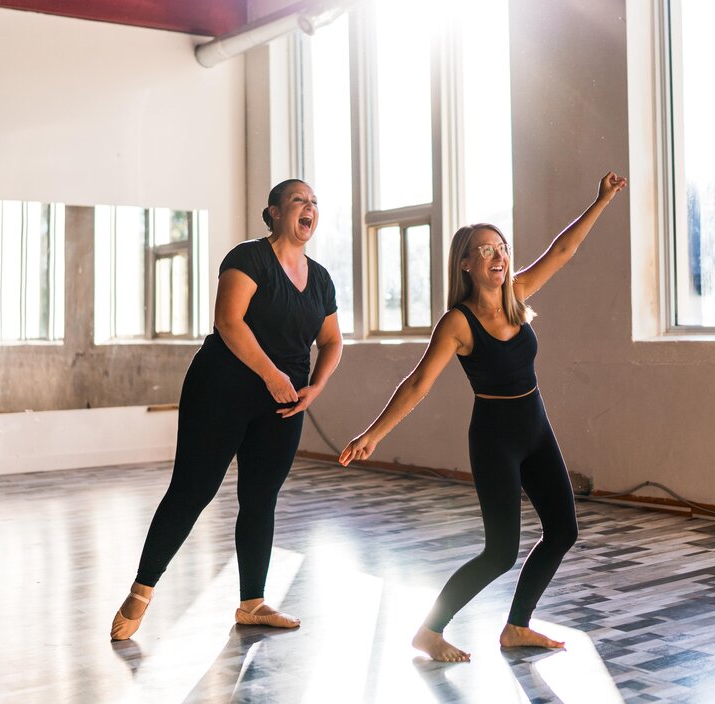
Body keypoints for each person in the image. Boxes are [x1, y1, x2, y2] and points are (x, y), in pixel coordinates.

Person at [340, 172, 628, 662]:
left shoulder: (517, 297)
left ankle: (517, 626)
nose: (499, 256)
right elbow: (416, 385)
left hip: (536, 428)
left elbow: (562, 252)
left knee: (563, 530)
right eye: (487, 250)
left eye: (503, 247)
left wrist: (599, 200)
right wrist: (374, 434)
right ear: (467, 263)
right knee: (500, 552)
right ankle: (430, 630)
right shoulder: (457, 322)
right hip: (495, 439)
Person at [111, 179, 343, 640]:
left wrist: (314, 387)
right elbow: (228, 321)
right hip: (222, 387)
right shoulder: (248, 258)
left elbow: (332, 341)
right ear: (274, 212)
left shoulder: (320, 278)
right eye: (299, 200)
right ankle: (142, 589)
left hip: (284, 403)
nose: (309, 208)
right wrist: (272, 374)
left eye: (314, 202)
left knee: (261, 498)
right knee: (193, 490)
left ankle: (252, 603)